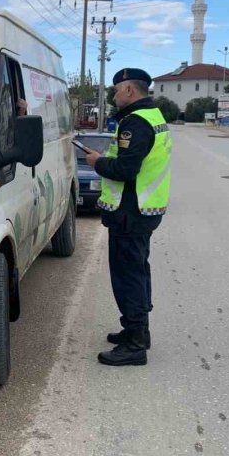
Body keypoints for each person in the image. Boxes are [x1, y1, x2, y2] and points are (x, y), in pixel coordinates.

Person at [82, 68, 171, 366]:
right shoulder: (153, 117)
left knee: (128, 276)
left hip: (129, 213)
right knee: (138, 270)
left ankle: (134, 345)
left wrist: (98, 162)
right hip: (143, 210)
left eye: (117, 90)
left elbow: (125, 169)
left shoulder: (135, 123)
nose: (115, 95)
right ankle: (138, 331)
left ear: (130, 90)